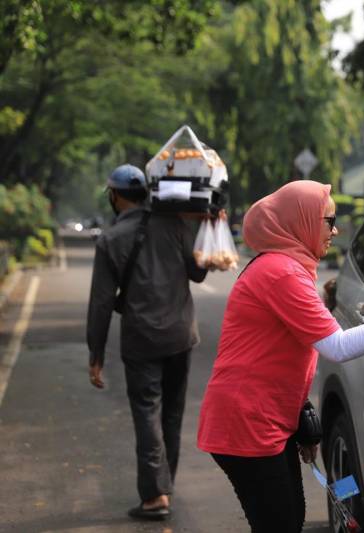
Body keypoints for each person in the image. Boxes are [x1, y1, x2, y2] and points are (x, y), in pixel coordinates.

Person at [196, 180, 364, 533]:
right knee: (280, 524)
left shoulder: (286, 268)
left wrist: (299, 415)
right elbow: (337, 346)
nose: (335, 231)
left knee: (287, 518)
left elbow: (288, 348)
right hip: (248, 423)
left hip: (262, 419)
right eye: (328, 220)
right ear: (300, 221)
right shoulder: (282, 272)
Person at [86, 163, 208, 520]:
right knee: (172, 413)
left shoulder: (111, 239)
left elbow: (101, 302)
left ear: (115, 196)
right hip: (181, 336)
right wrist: (205, 228)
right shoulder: (174, 223)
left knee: (147, 412)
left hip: (141, 339)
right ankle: (165, 486)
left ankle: (155, 495)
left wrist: (96, 353)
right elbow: (198, 273)